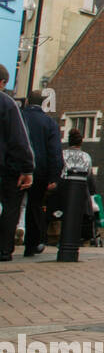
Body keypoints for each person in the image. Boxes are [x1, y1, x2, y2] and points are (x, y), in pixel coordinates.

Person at [0, 64, 35, 261]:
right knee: (11, 207)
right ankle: (4, 249)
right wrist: (27, 168)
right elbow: (19, 139)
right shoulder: (7, 104)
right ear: (3, 82)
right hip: (6, 167)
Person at [19, 97, 61, 256]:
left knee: (12, 205)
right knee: (35, 206)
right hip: (39, 171)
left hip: (16, 167)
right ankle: (32, 245)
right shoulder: (49, 123)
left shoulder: (20, 116)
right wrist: (53, 177)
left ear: (28, 100)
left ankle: (5, 246)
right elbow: (55, 152)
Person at [61, 129, 100, 245]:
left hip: (65, 189)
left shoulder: (63, 154)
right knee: (81, 216)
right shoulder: (86, 156)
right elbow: (89, 176)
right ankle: (78, 239)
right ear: (81, 142)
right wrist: (93, 193)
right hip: (82, 191)